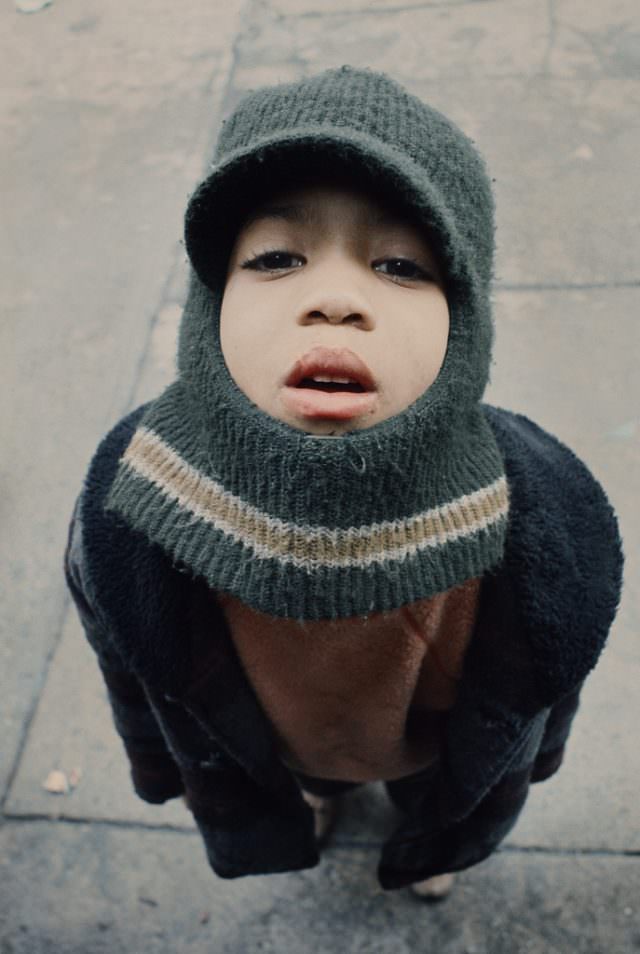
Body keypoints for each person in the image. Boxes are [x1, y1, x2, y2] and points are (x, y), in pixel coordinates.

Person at [64, 66, 624, 900]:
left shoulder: (547, 518)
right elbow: (132, 672)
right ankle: (318, 795)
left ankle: (421, 829)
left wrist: (504, 782)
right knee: (309, 771)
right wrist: (163, 768)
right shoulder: (131, 504)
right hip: (279, 744)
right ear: (210, 302)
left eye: (399, 266)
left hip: (425, 747)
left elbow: (545, 692)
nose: (333, 298)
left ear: (464, 321)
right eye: (277, 257)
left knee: (421, 791)